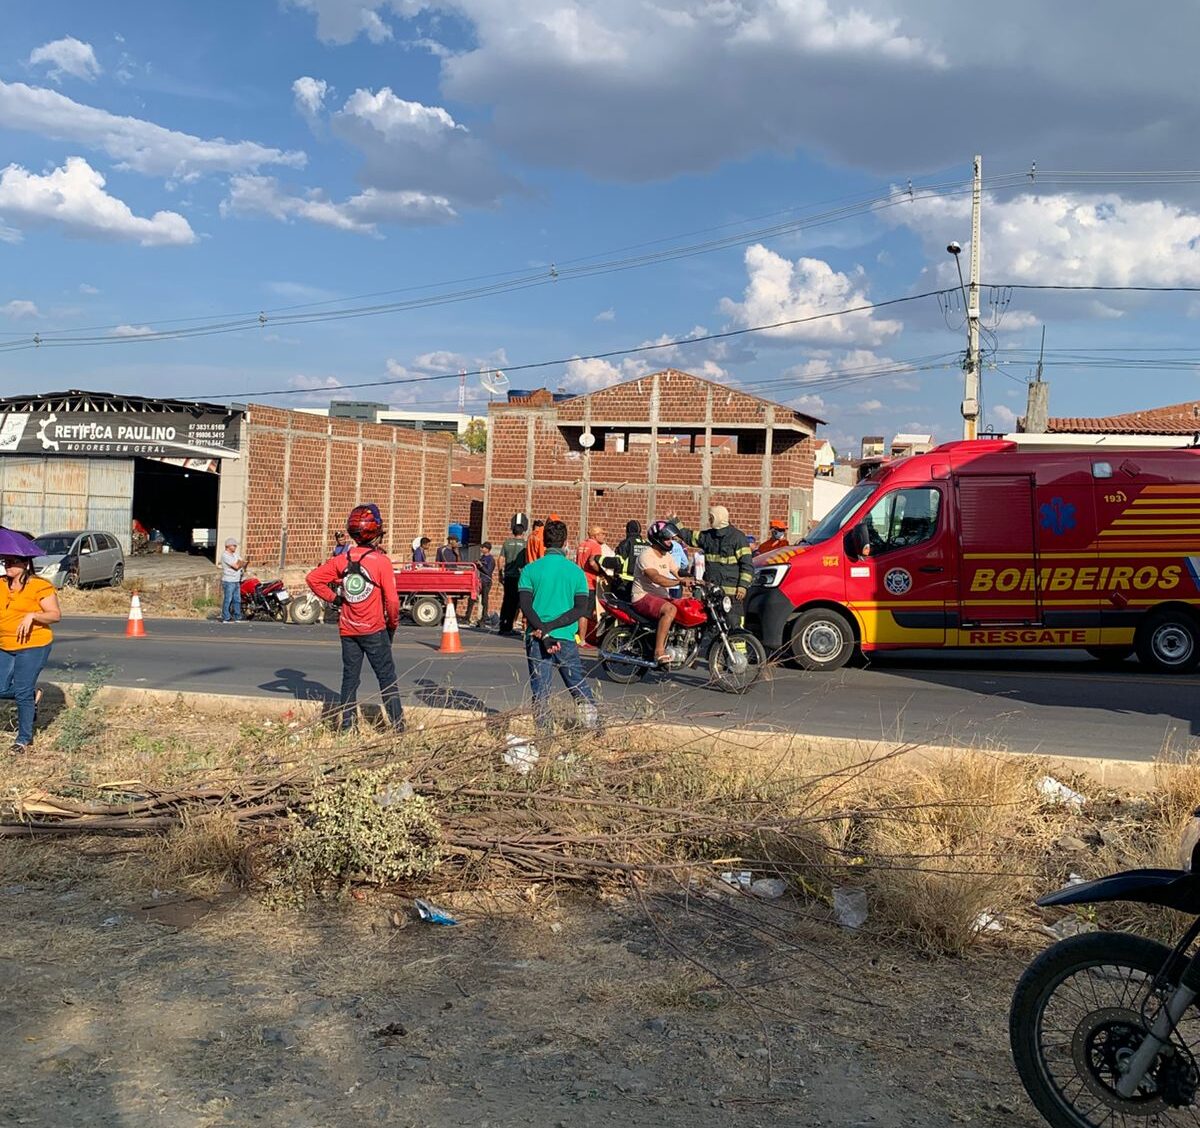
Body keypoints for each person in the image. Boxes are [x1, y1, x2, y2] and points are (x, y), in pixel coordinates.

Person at [306, 504, 404, 734]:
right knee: (386, 677)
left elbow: (313, 579)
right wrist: (392, 625)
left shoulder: (343, 558)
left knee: (350, 678)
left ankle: (347, 727)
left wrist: (335, 599)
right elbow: (392, 601)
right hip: (374, 630)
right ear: (376, 533)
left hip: (348, 630)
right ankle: (399, 727)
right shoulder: (381, 562)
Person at [518, 518, 598, 735]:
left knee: (540, 690)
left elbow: (525, 605)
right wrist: (552, 627)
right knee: (578, 685)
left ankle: (544, 736)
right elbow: (580, 608)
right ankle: (595, 728)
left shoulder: (530, 570)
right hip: (564, 636)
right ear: (565, 542)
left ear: (544, 541)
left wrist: (543, 631)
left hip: (536, 637)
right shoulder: (575, 572)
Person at [0, 530, 61, 754]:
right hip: (5, 645)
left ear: (25, 563)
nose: (7, 565)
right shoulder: (0, 584)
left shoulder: (39, 586)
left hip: (33, 645)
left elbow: (54, 615)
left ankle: (23, 739)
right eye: (5, 560)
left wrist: (33, 615)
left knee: (22, 691)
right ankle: (32, 695)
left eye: (12, 561)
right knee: (1, 688)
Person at [675, 505, 753, 625]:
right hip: (712, 593)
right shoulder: (708, 536)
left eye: (711, 517)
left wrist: (743, 586)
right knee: (712, 625)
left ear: (719, 518)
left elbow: (747, 564)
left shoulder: (738, 538)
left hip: (732, 596)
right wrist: (675, 521)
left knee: (734, 625)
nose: (709, 520)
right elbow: (689, 536)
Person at [632, 520, 686, 664]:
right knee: (670, 610)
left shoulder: (666, 556)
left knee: (685, 607)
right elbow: (656, 578)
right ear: (657, 539)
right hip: (642, 597)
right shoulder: (646, 555)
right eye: (667, 539)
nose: (670, 542)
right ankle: (659, 651)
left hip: (661, 597)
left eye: (671, 539)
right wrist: (679, 582)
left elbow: (677, 571)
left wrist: (695, 579)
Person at [575, 525, 607, 645]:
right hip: (589, 582)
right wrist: (601, 572)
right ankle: (582, 639)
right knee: (586, 612)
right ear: (595, 535)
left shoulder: (582, 544)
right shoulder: (595, 546)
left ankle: (578, 637)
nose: (604, 536)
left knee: (579, 610)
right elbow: (592, 562)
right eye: (602, 534)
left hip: (579, 581)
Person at [497, 513, 529, 636]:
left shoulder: (506, 543)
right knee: (516, 602)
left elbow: (500, 559)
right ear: (523, 531)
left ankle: (503, 624)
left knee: (506, 601)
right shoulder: (525, 545)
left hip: (508, 575)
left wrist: (500, 573)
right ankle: (510, 626)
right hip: (520, 577)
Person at [614, 520, 649, 601]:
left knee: (623, 607)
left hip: (625, 582)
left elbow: (618, 562)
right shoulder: (647, 544)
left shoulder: (626, 543)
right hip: (641, 583)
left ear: (628, 530)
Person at [220, 537, 248, 623]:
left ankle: (237, 616)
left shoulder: (235, 555)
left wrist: (241, 563)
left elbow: (242, 562)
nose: (235, 547)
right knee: (228, 599)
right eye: (234, 546)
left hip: (236, 580)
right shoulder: (225, 555)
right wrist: (240, 564)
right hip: (229, 580)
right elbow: (236, 566)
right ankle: (226, 617)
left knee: (237, 599)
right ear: (228, 546)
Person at [470, 542, 495, 627]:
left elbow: (488, 572)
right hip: (479, 581)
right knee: (472, 597)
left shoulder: (491, 559)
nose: (481, 549)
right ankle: (467, 616)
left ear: (487, 549)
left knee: (484, 600)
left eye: (483, 548)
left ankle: (484, 618)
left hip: (486, 581)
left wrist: (481, 566)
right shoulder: (482, 557)